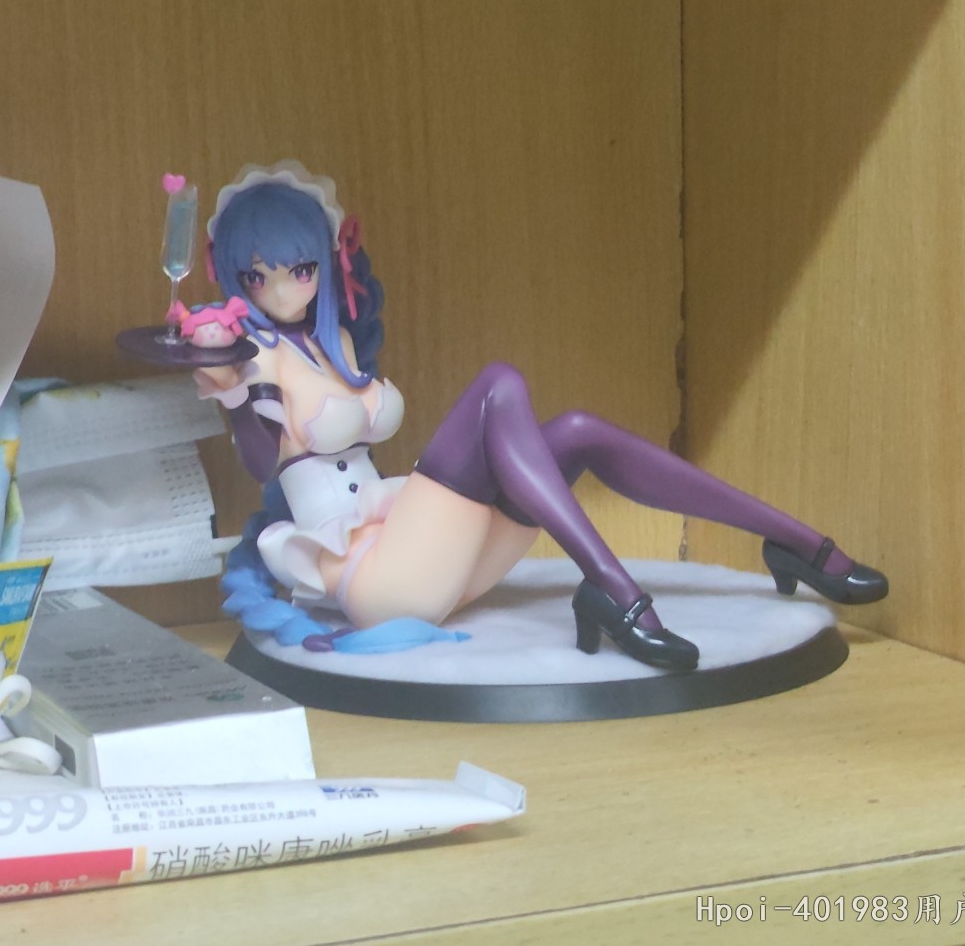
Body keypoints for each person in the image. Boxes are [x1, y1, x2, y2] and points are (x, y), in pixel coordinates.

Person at [195, 161, 887, 671]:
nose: (281, 289)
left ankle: (794, 543)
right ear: (234, 279)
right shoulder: (255, 359)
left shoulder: (337, 344)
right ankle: (617, 592)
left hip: (436, 561)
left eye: (299, 269)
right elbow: (259, 463)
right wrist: (230, 391)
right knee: (498, 386)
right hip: (379, 581)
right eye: (258, 275)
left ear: (323, 263)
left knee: (578, 433)